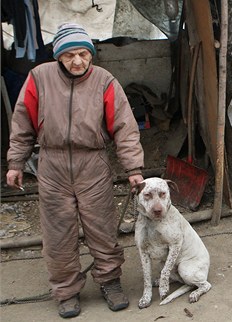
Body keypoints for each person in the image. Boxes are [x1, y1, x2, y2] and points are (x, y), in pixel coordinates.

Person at [6, 23, 144, 318]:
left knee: (102, 228)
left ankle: (110, 281)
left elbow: (125, 128)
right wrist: (16, 162)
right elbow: (22, 124)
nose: (77, 61)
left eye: (83, 54)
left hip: (92, 164)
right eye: (69, 55)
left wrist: (133, 168)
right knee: (58, 234)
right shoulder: (39, 78)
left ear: (91, 55)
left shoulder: (105, 81)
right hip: (52, 165)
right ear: (58, 56)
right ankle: (66, 291)